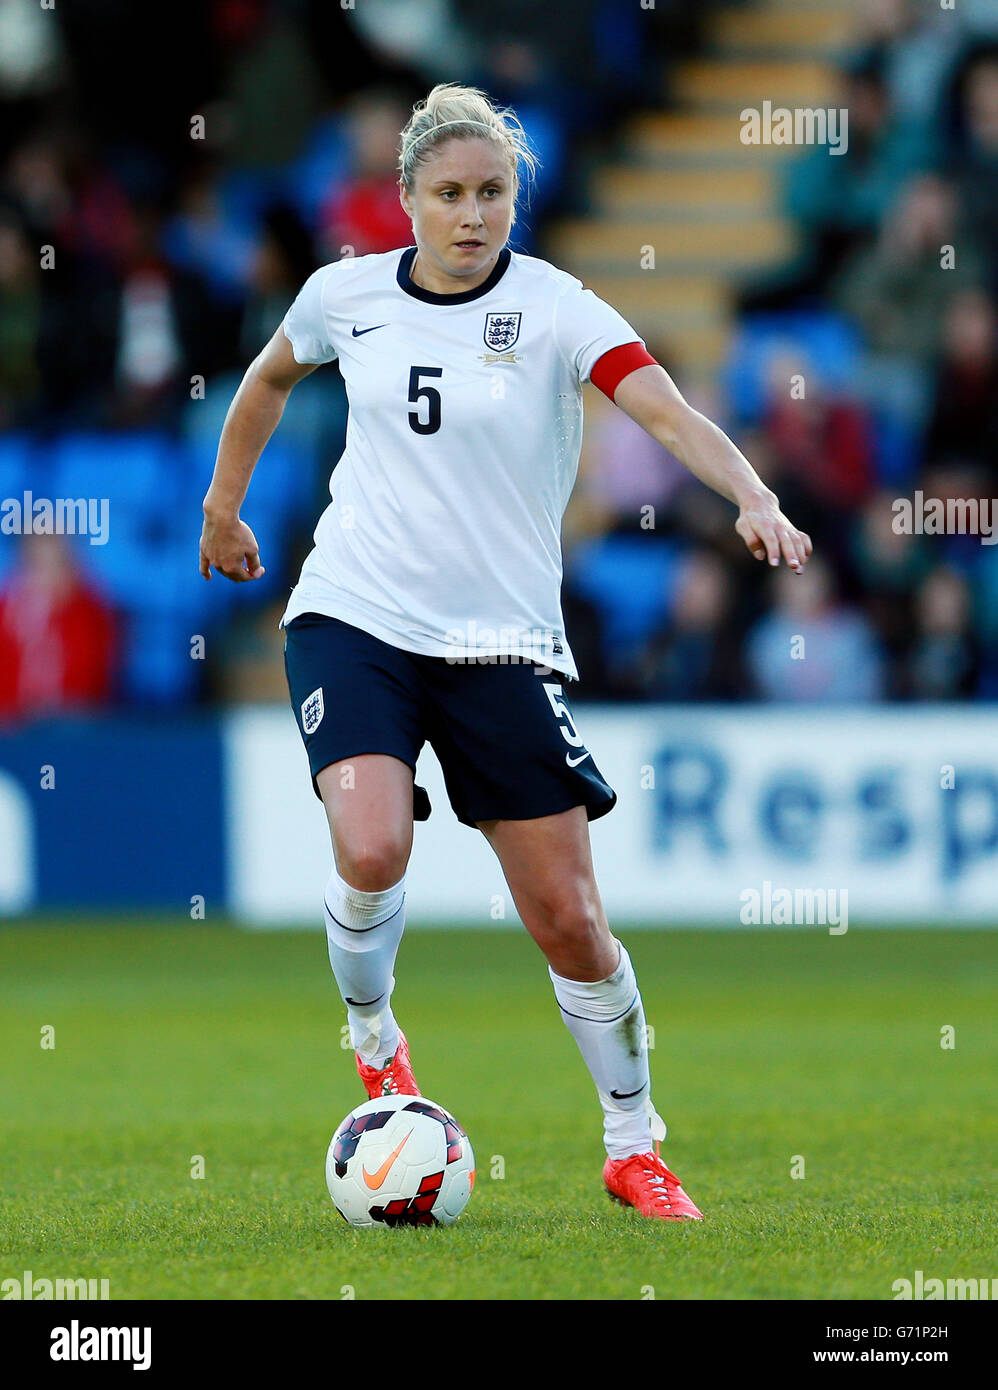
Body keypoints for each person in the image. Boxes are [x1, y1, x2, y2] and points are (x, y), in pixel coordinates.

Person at [199, 83, 812, 1223]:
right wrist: (222, 514)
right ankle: (375, 1036)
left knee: (568, 919)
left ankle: (632, 1143)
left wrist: (751, 493)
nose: (471, 213)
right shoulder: (344, 295)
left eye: (490, 193)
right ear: (408, 199)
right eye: (448, 193)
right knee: (372, 844)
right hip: (356, 611)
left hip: (499, 643)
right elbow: (266, 380)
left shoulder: (556, 307)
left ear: (513, 198)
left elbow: (668, 412)